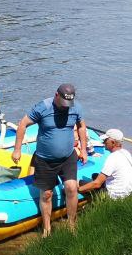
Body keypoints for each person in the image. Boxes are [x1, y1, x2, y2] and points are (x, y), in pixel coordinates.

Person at [11, 83, 88, 236]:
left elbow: (81, 127)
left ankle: (71, 225)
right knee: (46, 194)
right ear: (56, 95)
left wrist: (84, 149)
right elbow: (22, 124)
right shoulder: (43, 107)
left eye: (69, 104)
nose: (66, 107)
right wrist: (17, 149)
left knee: (72, 188)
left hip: (67, 157)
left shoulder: (75, 108)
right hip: (45, 159)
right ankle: (47, 229)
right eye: (63, 103)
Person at [79, 129, 132, 200]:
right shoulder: (126, 153)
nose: (103, 142)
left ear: (113, 142)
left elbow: (97, 184)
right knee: (95, 176)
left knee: (80, 183)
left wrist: (78, 189)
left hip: (115, 197)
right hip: (130, 192)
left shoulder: (112, 158)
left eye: (105, 140)